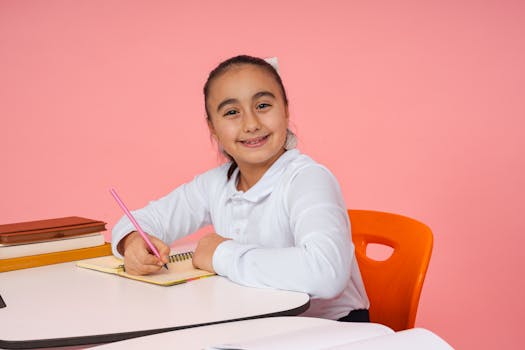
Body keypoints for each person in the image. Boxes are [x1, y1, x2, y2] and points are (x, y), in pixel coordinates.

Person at [111, 55, 370, 322]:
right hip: (257, 325)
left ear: (286, 110)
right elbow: (144, 219)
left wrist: (220, 253)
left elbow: (326, 273)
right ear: (212, 126)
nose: (251, 124)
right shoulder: (215, 184)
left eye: (263, 105)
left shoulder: (308, 179)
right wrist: (133, 242)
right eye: (232, 112)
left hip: (329, 331)